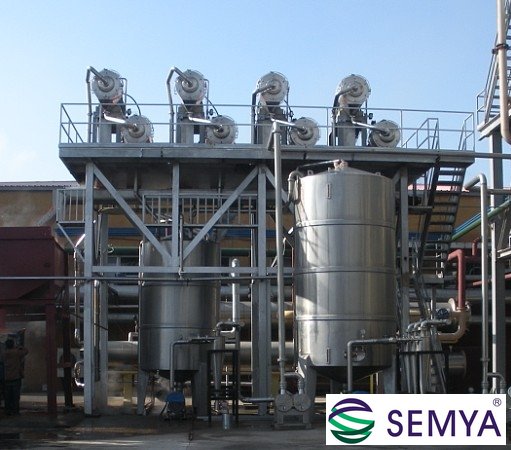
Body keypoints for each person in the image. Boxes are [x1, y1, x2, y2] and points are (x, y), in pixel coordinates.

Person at [4, 339, 28, 416]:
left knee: (7, 397)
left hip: (6, 378)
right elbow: (26, 351)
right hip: (16, 378)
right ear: (13, 345)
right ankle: (15, 411)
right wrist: (19, 347)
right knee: (16, 396)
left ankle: (7, 411)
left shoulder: (3, 353)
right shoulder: (16, 352)